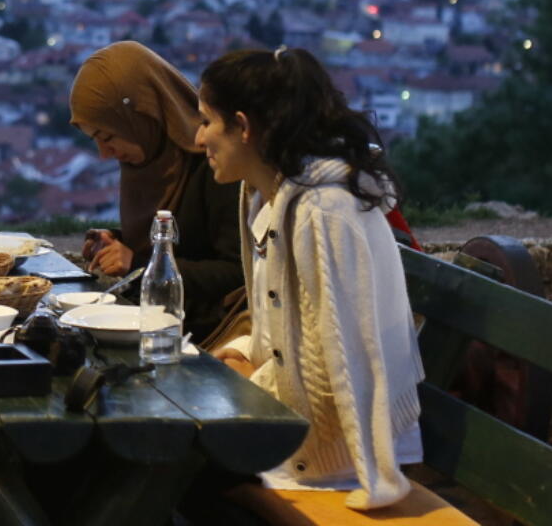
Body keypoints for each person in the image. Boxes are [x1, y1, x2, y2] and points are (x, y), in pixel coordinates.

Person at [198, 47, 425, 511]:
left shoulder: (323, 214)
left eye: (206, 121)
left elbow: (340, 368)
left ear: (243, 127)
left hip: (334, 453)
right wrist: (241, 355)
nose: (199, 137)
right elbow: (284, 332)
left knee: (168, 469)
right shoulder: (269, 196)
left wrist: (247, 384)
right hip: (303, 426)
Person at [69, 41, 243, 339]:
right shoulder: (149, 162)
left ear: (144, 117)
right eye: (94, 139)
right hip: (155, 323)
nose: (104, 154)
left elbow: (238, 272)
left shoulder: (216, 165)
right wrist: (119, 242)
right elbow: (180, 239)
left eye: (108, 136)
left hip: (202, 339)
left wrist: (138, 263)